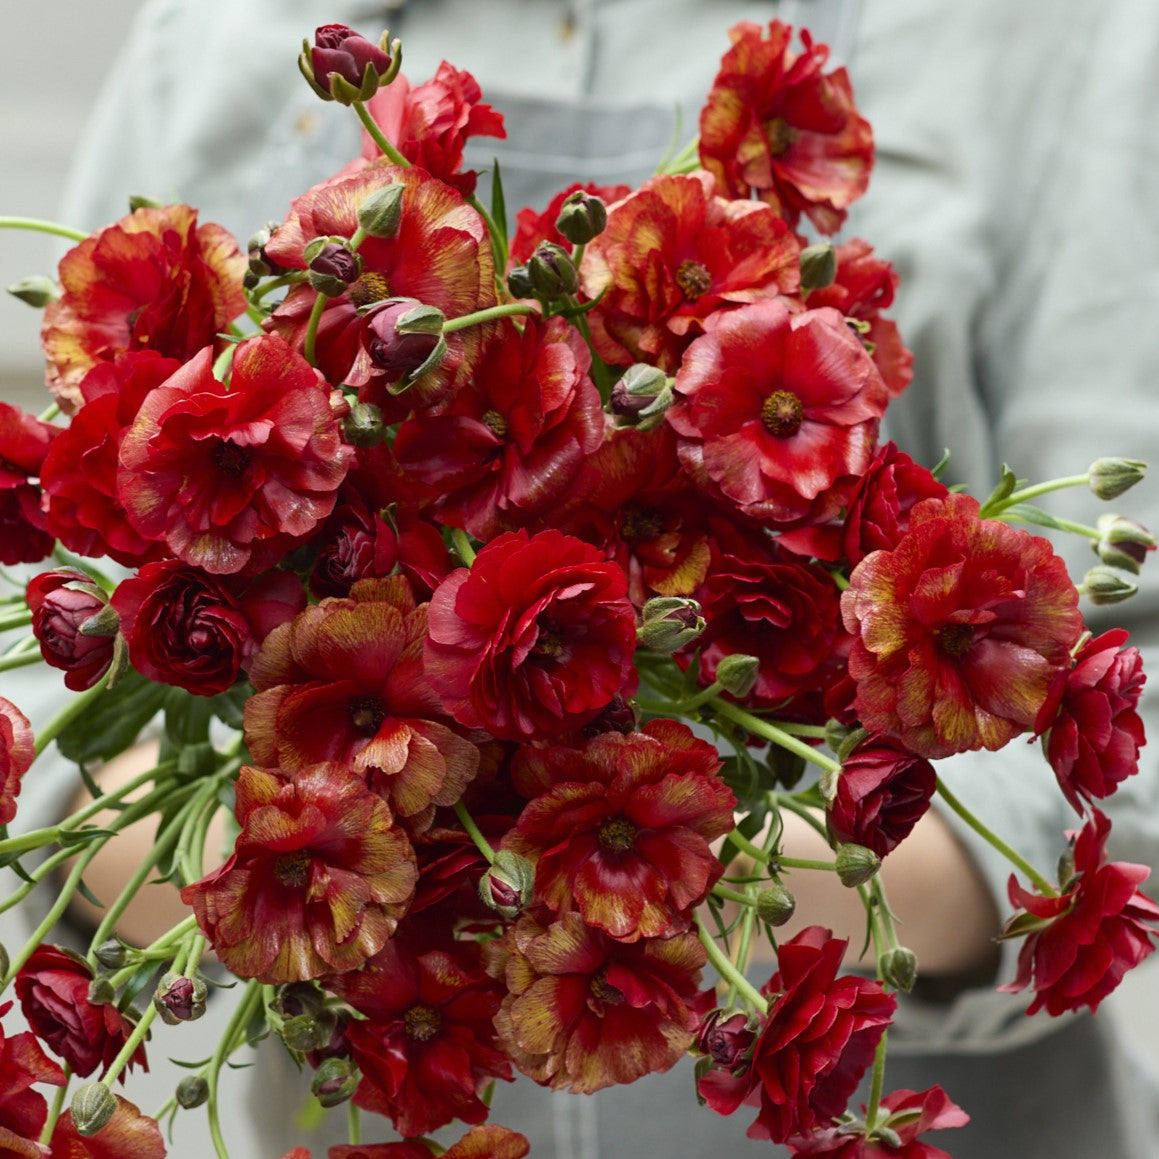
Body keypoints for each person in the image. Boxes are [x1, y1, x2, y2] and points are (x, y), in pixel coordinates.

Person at [20, 0, 1159, 1155]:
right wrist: (325, 873)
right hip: (385, 1056)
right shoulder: (212, 30)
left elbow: (1138, 687)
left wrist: (659, 878)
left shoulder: (1049, 33)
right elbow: (58, 667)